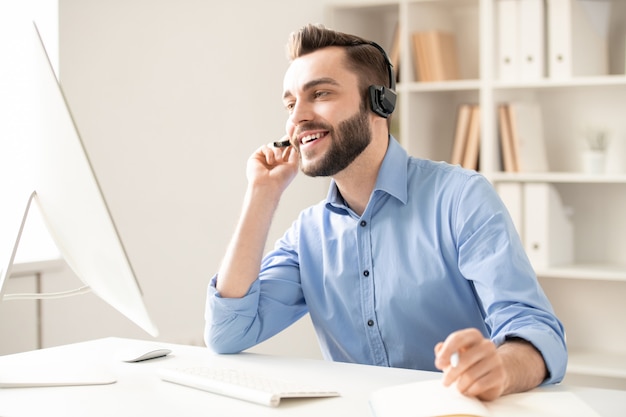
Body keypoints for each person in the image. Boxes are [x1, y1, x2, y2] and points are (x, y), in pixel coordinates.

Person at [204, 23, 567, 401]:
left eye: (321, 93)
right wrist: (262, 194)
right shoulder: (308, 234)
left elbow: (537, 330)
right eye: (291, 104)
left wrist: (502, 367)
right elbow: (227, 333)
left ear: (381, 103)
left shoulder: (460, 198)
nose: (297, 118)